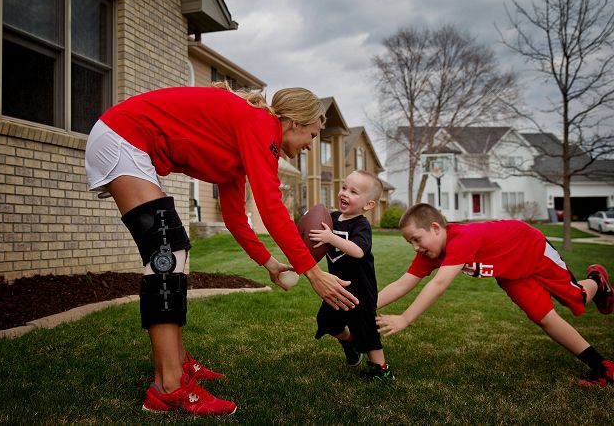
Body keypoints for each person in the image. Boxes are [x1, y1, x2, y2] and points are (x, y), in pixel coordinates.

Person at [84, 83, 359, 416]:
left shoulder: (246, 140)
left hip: (124, 140)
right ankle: (169, 389)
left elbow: (233, 216)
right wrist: (313, 273)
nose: (309, 146)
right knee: (167, 252)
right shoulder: (259, 124)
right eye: (312, 136)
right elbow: (271, 207)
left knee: (173, 251)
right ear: (294, 123)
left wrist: (269, 263)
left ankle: (178, 365)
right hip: (122, 137)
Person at [376, 203, 614, 386]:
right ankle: (603, 367)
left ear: (436, 228)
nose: (415, 248)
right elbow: (402, 283)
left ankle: (596, 280)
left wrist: (405, 318)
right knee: (543, 317)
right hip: (511, 272)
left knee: (576, 299)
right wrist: (365, 305)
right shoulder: (430, 252)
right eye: (410, 243)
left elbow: (439, 284)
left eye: (416, 239)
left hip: (531, 248)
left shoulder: (462, 238)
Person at [309, 170, 394, 380]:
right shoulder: (332, 218)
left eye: (354, 191)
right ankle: (349, 342)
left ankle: (381, 371)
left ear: (368, 205)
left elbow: (358, 250)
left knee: (367, 331)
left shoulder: (361, 225)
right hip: (337, 287)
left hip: (361, 291)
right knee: (327, 322)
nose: (345, 193)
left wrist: (331, 236)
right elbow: (319, 246)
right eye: (344, 187)